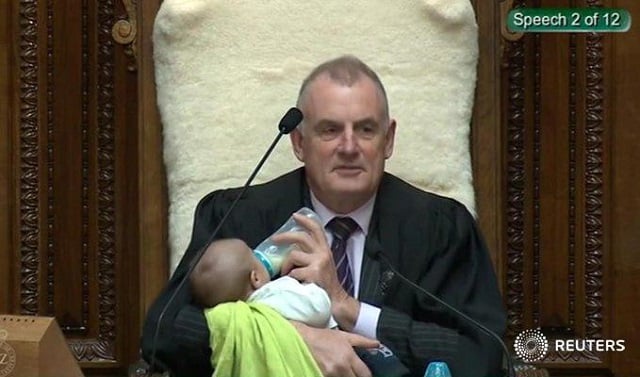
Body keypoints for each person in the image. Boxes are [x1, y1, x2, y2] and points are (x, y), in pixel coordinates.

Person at [141, 55, 507, 377]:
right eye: (330, 130)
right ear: (299, 143)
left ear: (389, 139)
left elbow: (484, 355)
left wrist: (348, 307)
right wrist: (292, 338)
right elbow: (164, 333)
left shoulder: (440, 228)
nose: (349, 147)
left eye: (365, 129)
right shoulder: (237, 217)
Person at [190, 237, 338, 329]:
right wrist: (311, 286)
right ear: (256, 279)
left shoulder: (234, 324)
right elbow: (320, 309)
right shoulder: (277, 295)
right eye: (253, 254)